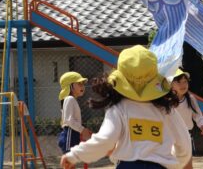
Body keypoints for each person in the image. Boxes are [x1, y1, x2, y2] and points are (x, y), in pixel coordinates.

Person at [60, 45, 191, 169]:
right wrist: (175, 163)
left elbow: (105, 141)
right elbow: (184, 143)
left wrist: (74, 155)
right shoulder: (166, 109)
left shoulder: (119, 108)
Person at [171, 69, 203, 169]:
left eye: (185, 82)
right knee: (172, 160)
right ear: (171, 84)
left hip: (186, 134)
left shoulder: (190, 99)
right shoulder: (167, 101)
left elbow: (198, 115)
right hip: (170, 135)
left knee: (186, 161)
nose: (183, 85)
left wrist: (202, 125)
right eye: (179, 82)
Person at [58, 71, 92, 154]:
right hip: (70, 134)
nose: (82, 86)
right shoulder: (70, 99)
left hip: (73, 133)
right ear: (70, 86)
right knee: (70, 158)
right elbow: (69, 120)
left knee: (72, 159)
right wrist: (82, 130)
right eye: (79, 84)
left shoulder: (71, 99)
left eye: (83, 84)